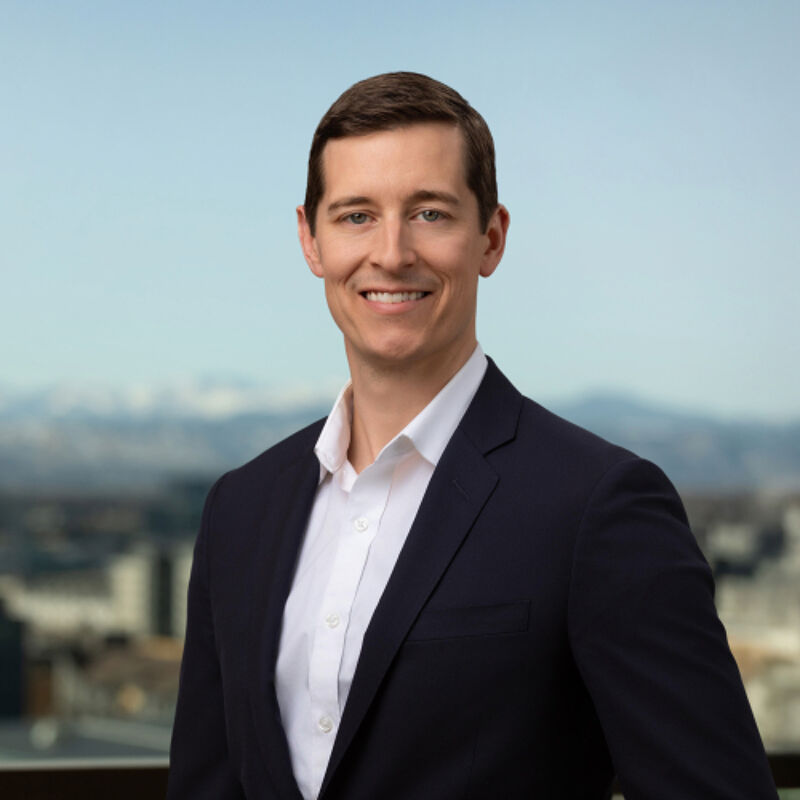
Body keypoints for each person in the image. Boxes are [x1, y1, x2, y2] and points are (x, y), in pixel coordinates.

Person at [167, 72, 777, 799]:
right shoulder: (240, 509)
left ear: (490, 237)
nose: (391, 254)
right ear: (310, 240)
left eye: (429, 213)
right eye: (356, 215)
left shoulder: (597, 507)